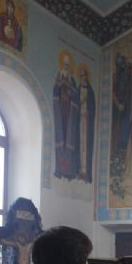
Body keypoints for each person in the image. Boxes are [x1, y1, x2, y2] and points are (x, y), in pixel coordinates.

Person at [53, 51, 79, 180]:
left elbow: (75, 94)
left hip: (70, 112)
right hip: (61, 108)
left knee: (69, 135)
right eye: (64, 64)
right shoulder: (59, 75)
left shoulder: (72, 79)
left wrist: (67, 84)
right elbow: (55, 90)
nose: (66, 67)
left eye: (68, 65)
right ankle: (60, 167)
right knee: (61, 133)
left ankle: (69, 169)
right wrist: (60, 84)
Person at [77, 65, 95, 183]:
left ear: (86, 76)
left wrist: (89, 112)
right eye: (81, 76)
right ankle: (80, 170)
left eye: (84, 75)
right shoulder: (78, 89)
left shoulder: (90, 91)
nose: (82, 77)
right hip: (80, 120)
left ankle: (85, 171)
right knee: (80, 144)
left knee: (86, 146)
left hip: (87, 122)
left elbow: (93, 107)